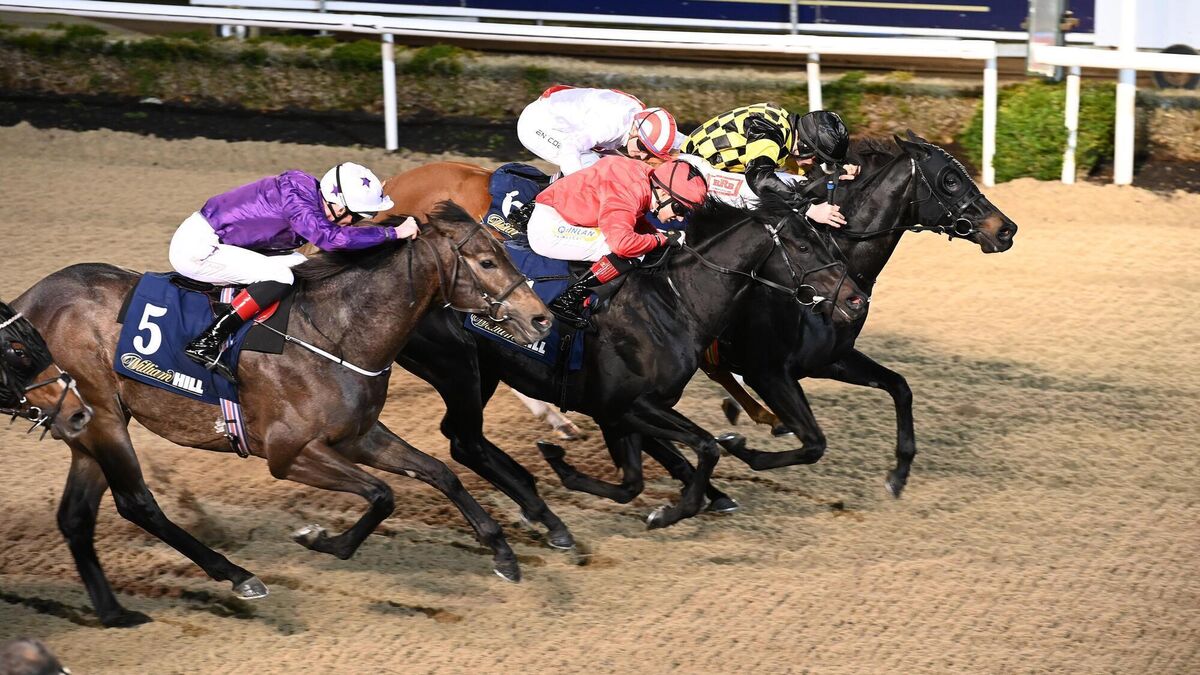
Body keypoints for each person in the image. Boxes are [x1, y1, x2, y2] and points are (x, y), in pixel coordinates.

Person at [169, 162, 418, 380]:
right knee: (281, 277)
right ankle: (207, 341)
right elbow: (332, 239)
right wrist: (393, 233)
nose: (352, 224)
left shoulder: (309, 195)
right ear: (340, 208)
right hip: (198, 248)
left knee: (303, 266)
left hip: (222, 241)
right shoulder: (299, 204)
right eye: (355, 217)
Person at [526, 156, 708, 327]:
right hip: (549, 228)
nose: (679, 218)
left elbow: (634, 220)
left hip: (564, 213)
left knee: (643, 243)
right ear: (662, 192)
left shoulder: (644, 178)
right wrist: (661, 238)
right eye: (679, 208)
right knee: (634, 252)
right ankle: (567, 301)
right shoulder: (628, 191)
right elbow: (622, 244)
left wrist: (658, 235)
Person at [681, 104, 859, 227]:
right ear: (804, 146)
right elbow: (760, 178)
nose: (815, 164)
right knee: (773, 197)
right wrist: (809, 209)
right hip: (692, 172)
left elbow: (795, 169)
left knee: (796, 183)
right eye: (817, 159)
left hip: (706, 165)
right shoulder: (769, 133)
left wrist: (839, 170)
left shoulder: (785, 125)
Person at [517, 85, 679, 177]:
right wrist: (579, 185)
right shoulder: (611, 125)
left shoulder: (637, 116)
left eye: (649, 152)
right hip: (536, 125)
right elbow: (569, 147)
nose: (643, 156)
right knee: (591, 168)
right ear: (636, 129)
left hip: (561, 122)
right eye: (643, 148)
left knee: (617, 168)